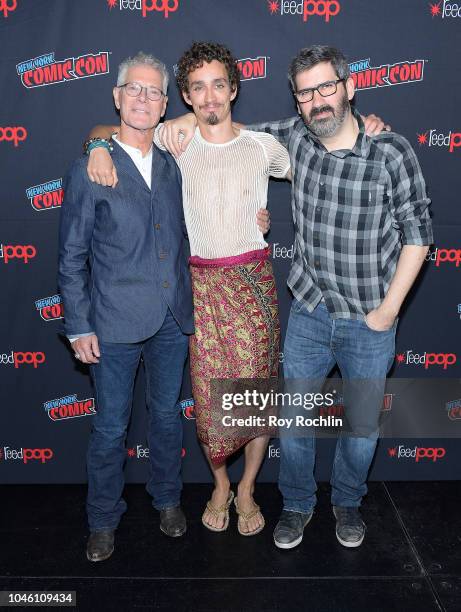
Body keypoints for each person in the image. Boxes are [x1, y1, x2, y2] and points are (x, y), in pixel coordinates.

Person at [156, 44, 433, 550]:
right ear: (297, 101)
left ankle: (347, 503)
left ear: (350, 88)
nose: (317, 101)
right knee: (295, 422)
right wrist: (181, 119)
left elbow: (418, 234)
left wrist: (388, 312)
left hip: (369, 318)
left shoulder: (391, 150)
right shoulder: (291, 139)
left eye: (327, 87)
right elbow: (223, 128)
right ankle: (299, 504)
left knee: (361, 427)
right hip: (309, 311)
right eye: (306, 93)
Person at [86, 42, 291, 537]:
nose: (210, 95)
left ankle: (246, 489)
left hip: (252, 283)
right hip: (198, 286)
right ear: (185, 96)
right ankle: (220, 484)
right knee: (209, 399)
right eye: (198, 87)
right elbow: (106, 130)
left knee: (256, 396)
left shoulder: (264, 146)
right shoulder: (172, 141)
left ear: (234, 89)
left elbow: (320, 151)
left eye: (219, 84)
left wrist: (371, 125)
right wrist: (95, 144)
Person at [58, 52, 195, 562]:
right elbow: (71, 256)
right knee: (110, 428)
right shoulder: (89, 166)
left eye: (153, 92)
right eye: (133, 89)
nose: (142, 98)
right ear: (117, 98)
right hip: (112, 321)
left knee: (165, 417)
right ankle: (102, 519)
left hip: (171, 319)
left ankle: (167, 500)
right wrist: (78, 326)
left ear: (164, 104)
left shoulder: (175, 165)